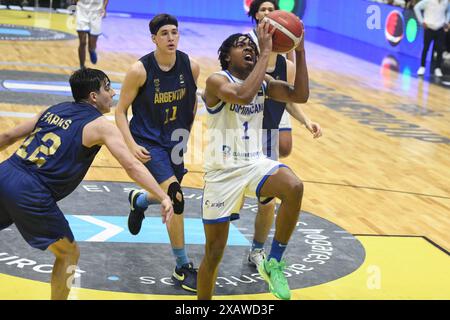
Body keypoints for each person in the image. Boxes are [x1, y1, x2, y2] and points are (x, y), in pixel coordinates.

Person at [0, 68, 173, 300]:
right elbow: (131, 166)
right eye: (108, 88)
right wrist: (162, 196)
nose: (112, 93)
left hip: (5, 171)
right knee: (69, 254)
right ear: (93, 96)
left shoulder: (54, 109)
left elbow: (8, 137)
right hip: (31, 191)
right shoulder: (101, 126)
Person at [198, 19, 309, 300]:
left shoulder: (264, 82)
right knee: (213, 254)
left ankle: (274, 261)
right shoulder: (217, 81)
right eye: (241, 46)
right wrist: (264, 52)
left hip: (254, 163)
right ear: (226, 57)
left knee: (294, 187)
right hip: (222, 174)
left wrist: (301, 49)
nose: (248, 47)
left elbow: (300, 95)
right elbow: (243, 96)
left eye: (251, 45)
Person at [115, 14, 200, 293]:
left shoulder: (191, 66)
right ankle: (182, 266)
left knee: (166, 194)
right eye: (164, 33)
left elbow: (191, 104)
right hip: (148, 141)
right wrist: (130, 144)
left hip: (174, 140)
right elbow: (119, 110)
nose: (171, 38)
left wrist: (185, 133)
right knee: (175, 198)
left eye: (174, 32)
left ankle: (140, 201)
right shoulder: (140, 70)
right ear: (154, 38)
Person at [246, 0, 322, 269]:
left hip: (267, 137)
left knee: (267, 201)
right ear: (256, 17)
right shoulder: (244, 53)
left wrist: (305, 120)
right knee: (227, 205)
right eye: (263, 10)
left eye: (272, 10)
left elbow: (287, 97)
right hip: (239, 136)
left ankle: (258, 250)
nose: (268, 14)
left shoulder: (287, 67)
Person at [414, 0, 450, 77]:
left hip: (440, 28)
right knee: (426, 48)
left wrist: (446, 21)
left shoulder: (446, 2)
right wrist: (421, 21)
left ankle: (437, 68)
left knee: (440, 49)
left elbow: (448, 11)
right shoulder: (428, 1)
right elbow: (416, 7)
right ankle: (422, 67)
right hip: (429, 28)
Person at [75, 0, 109, 69]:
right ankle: (82, 66)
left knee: (92, 46)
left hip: (96, 14)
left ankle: (91, 50)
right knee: (82, 42)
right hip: (82, 12)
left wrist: (104, 8)